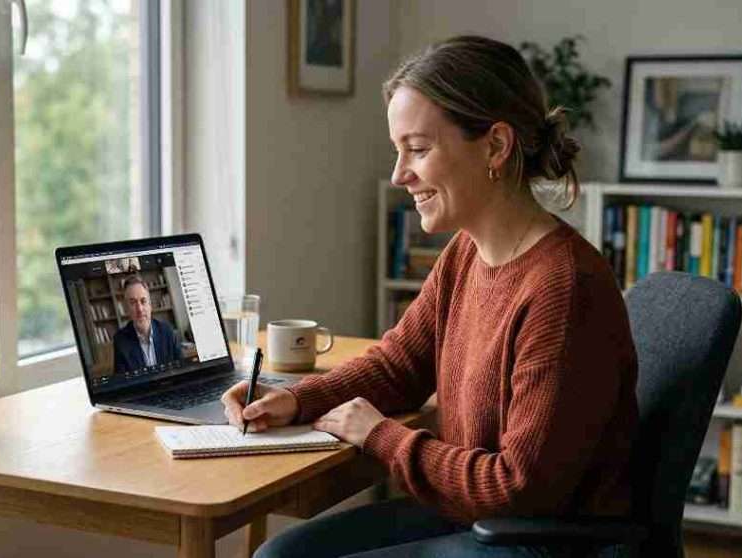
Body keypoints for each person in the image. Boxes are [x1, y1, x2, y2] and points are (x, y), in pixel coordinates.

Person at [221, 35, 638, 558]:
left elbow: (519, 488)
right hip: (471, 517)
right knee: (279, 556)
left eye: (418, 149)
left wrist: (381, 437)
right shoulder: (467, 253)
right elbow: (400, 365)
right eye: (399, 151)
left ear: (495, 146)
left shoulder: (563, 288)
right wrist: (294, 399)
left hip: (535, 540)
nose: (399, 174)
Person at [113, 276, 183, 374]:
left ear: (150, 305)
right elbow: (121, 381)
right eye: (133, 303)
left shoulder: (167, 331)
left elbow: (182, 369)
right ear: (126, 309)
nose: (140, 309)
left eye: (143, 301)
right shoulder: (120, 340)